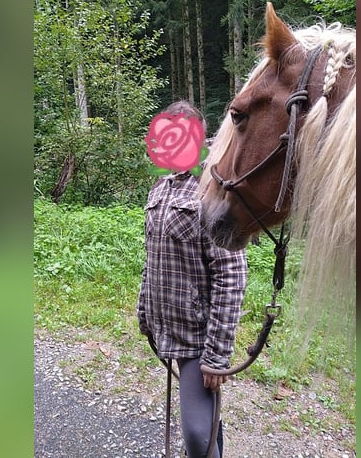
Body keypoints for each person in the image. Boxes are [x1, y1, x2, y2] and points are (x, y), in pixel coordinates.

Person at [138, 101, 248, 458]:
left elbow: (231, 275)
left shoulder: (213, 193)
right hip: (166, 329)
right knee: (203, 428)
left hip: (197, 338)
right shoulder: (159, 189)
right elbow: (151, 258)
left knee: (198, 436)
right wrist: (144, 312)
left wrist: (217, 355)